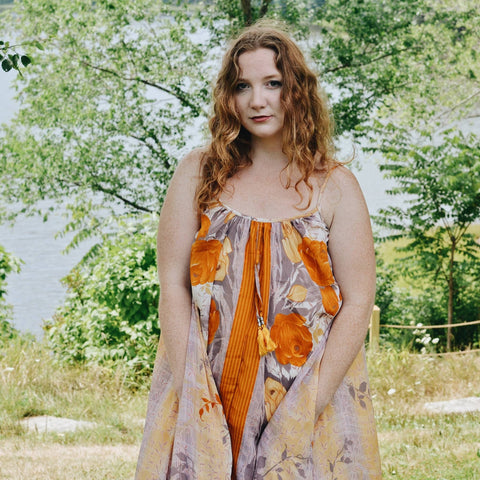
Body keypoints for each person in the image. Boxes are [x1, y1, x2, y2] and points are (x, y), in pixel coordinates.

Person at [135, 21, 381, 480]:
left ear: (297, 91)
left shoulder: (335, 187)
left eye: (273, 83)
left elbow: (358, 301)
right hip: (208, 389)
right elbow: (172, 284)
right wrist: (194, 389)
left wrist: (309, 405)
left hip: (307, 394)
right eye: (242, 86)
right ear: (228, 96)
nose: (257, 100)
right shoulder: (198, 173)